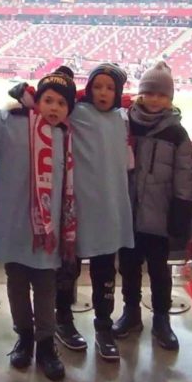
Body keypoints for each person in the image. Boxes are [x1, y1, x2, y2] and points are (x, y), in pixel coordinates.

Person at [0, 68, 78, 382]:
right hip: (15, 224)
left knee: (46, 286)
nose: (53, 108)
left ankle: (46, 343)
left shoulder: (66, 136)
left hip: (47, 231)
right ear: (36, 100)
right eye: (48, 100)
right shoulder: (14, 123)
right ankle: (24, 337)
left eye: (61, 103)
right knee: (17, 283)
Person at [55, 63, 135, 361]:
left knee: (105, 270)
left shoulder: (122, 118)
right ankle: (63, 320)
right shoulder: (76, 112)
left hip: (109, 208)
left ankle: (103, 325)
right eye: (97, 87)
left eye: (110, 88)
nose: (103, 93)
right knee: (69, 268)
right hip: (78, 208)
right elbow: (48, 102)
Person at [115, 61, 192, 351]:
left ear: (170, 99)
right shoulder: (125, 123)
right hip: (129, 213)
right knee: (129, 268)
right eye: (149, 93)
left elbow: (184, 176)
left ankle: (162, 318)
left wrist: (181, 212)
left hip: (159, 216)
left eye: (162, 95)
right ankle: (131, 312)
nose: (155, 100)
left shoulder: (176, 133)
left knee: (160, 271)